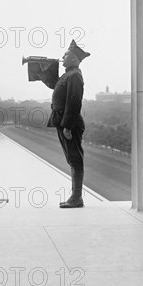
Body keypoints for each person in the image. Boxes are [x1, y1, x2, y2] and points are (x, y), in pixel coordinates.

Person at [41, 40, 91, 208]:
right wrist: (44, 70)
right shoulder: (68, 74)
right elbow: (55, 87)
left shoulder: (75, 75)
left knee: (75, 160)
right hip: (64, 122)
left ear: (75, 59)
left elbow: (74, 101)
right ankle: (75, 197)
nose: (62, 57)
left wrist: (68, 126)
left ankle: (76, 198)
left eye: (67, 55)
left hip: (70, 123)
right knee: (72, 159)